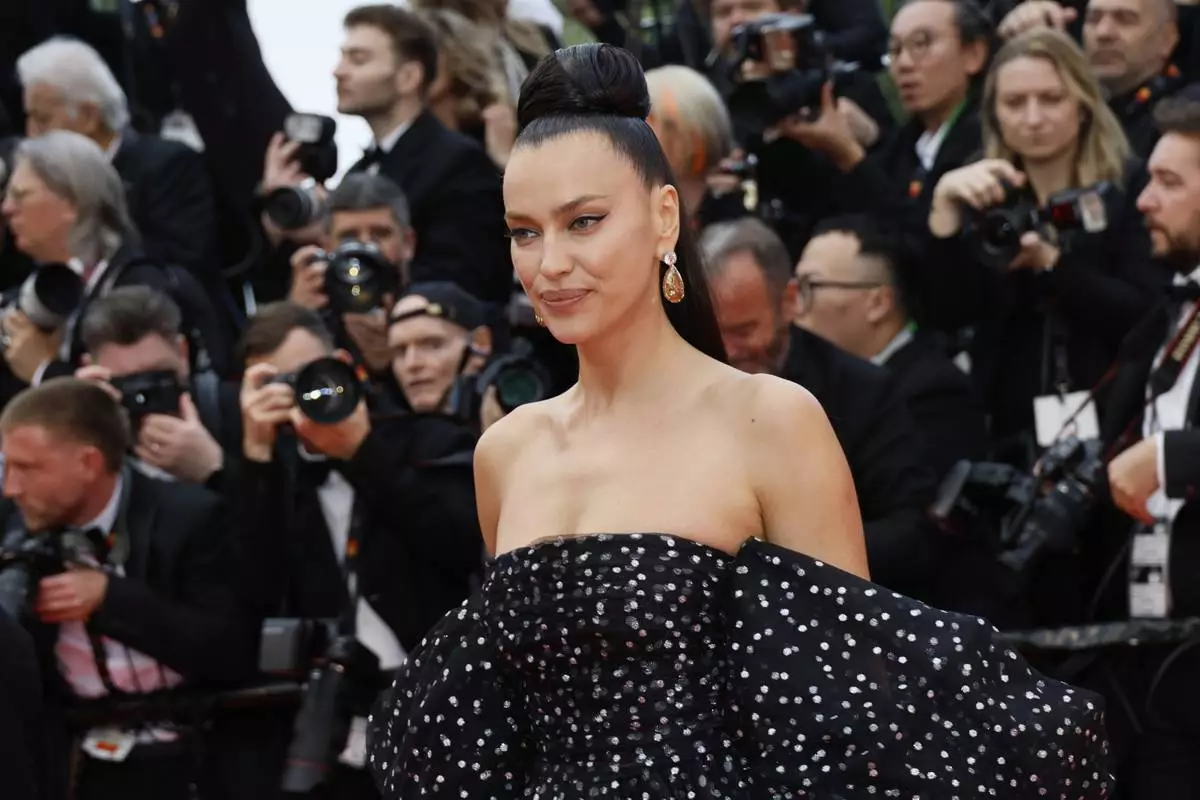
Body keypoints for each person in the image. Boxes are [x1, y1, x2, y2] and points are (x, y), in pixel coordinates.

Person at [366, 43, 1111, 797]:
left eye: (583, 221)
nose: (548, 262)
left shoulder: (770, 420)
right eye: (524, 232)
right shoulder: (508, 452)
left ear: (664, 218)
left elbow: (849, 725)